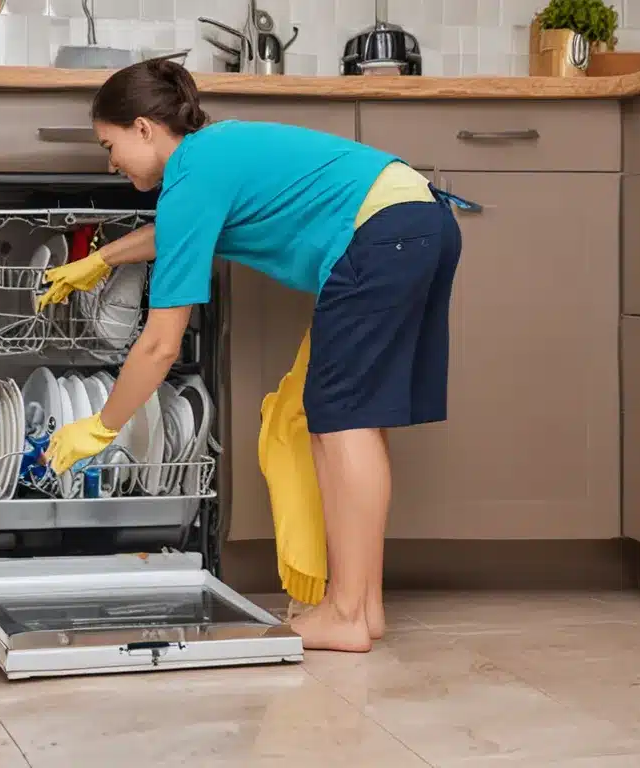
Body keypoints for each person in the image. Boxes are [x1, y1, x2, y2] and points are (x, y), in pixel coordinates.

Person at [41, 58, 465, 653]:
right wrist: (102, 259)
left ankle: (347, 614)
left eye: (110, 146)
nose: (111, 163)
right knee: (352, 419)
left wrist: (102, 426)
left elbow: (162, 343)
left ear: (143, 128)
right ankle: (362, 609)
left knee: (340, 418)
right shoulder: (210, 156)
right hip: (414, 225)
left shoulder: (191, 172)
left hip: (381, 237)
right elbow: (178, 232)